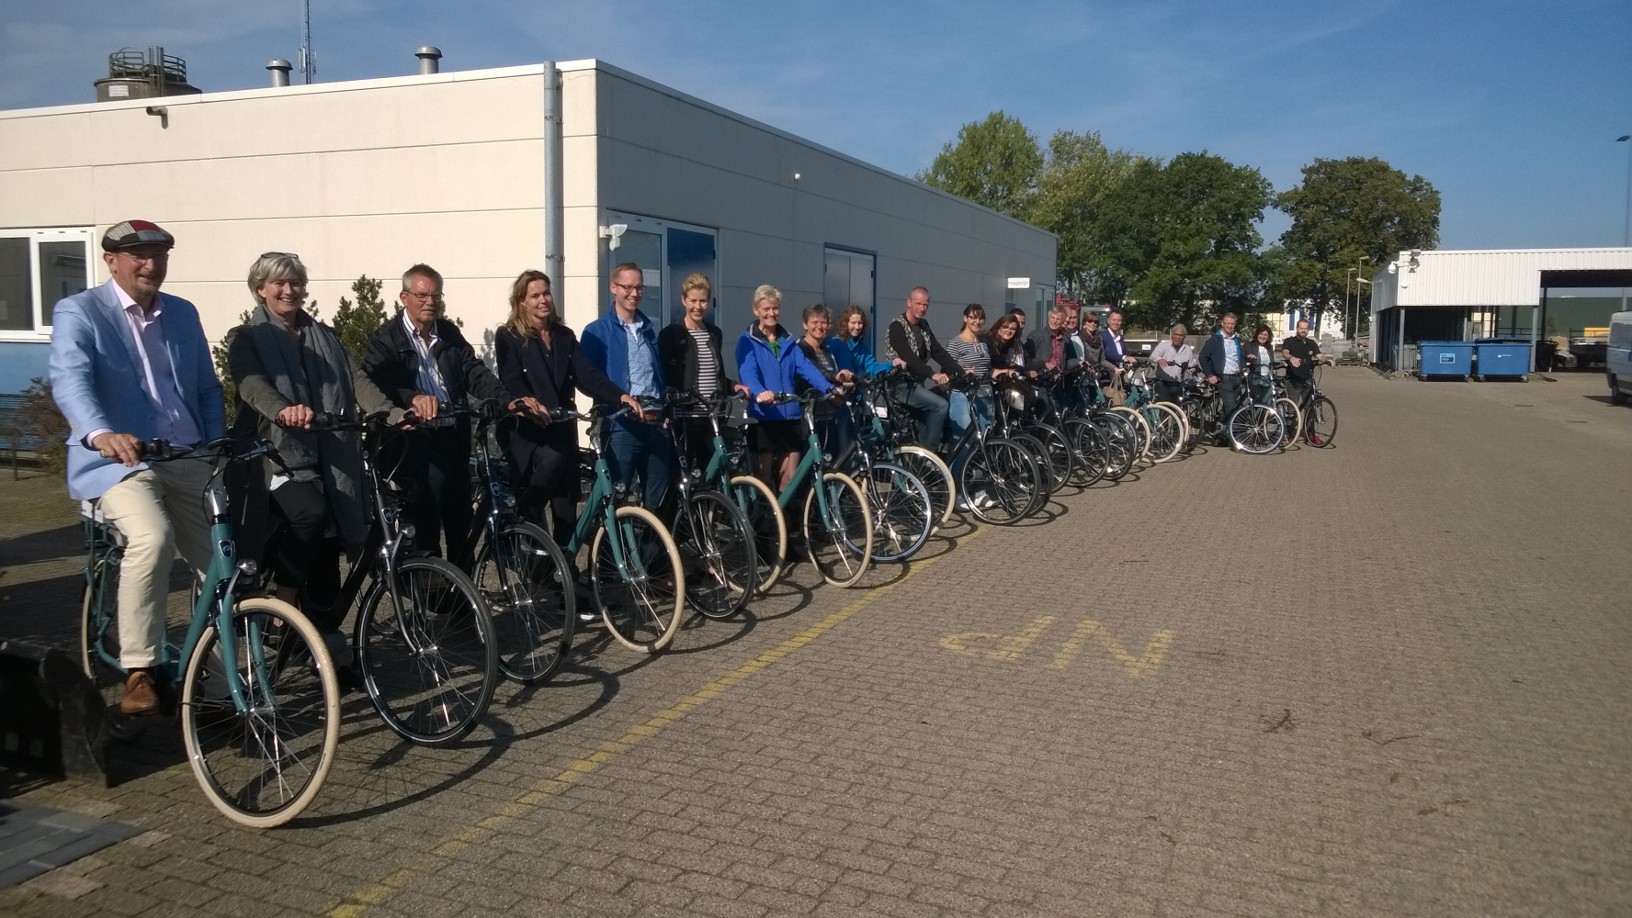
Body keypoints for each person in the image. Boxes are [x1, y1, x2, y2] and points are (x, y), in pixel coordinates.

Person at [48, 220, 225, 715]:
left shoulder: (183, 313)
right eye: (139, 255)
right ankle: (140, 668)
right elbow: (70, 379)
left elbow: (208, 389)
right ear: (111, 260)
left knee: (224, 567)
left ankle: (220, 680)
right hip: (120, 461)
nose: (151, 265)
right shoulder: (80, 311)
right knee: (152, 537)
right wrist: (100, 431)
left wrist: (215, 446)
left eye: (159, 255)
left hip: (187, 455)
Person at [227, 252, 397, 663]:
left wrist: (391, 412)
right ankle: (282, 605)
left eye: (296, 283)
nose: (289, 290)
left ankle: (323, 639)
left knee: (330, 539)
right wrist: (282, 408)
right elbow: (251, 385)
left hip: (328, 452)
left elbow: (355, 380)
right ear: (261, 289)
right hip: (271, 455)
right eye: (279, 283)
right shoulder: (245, 338)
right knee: (312, 513)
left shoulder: (324, 336)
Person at [362, 263, 509, 570]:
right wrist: (412, 398)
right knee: (428, 510)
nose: (430, 301)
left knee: (461, 516)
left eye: (436, 295)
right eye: (421, 295)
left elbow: (473, 371)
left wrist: (506, 399)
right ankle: (429, 586)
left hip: (453, 435)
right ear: (404, 297)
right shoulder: (385, 339)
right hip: (415, 439)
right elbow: (380, 382)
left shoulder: (449, 333)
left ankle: (463, 598)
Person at [495, 270, 634, 547]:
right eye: (535, 295)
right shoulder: (509, 336)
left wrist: (620, 397)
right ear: (522, 301)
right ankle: (525, 522)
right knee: (536, 504)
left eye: (546, 293)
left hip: (562, 429)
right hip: (530, 434)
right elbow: (511, 378)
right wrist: (526, 401)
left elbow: (587, 375)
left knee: (567, 508)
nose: (543, 300)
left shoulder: (563, 336)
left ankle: (564, 577)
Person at [581, 262, 671, 511]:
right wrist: (615, 402)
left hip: (655, 422)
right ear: (613, 288)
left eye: (639, 288)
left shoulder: (649, 330)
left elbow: (657, 376)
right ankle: (607, 549)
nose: (634, 293)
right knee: (616, 499)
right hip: (621, 426)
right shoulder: (597, 331)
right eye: (627, 287)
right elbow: (588, 379)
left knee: (656, 503)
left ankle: (650, 551)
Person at [735, 285, 834, 491]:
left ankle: (787, 519)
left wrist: (828, 389)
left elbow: (806, 368)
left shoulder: (787, 341)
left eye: (775, 308)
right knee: (764, 479)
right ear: (756, 310)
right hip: (765, 416)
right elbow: (748, 373)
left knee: (790, 478)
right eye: (766, 309)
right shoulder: (747, 341)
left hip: (790, 416)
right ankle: (766, 520)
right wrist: (759, 393)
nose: (771, 313)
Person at [658, 272, 748, 471]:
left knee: (713, 472)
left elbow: (714, 374)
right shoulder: (671, 334)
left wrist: (733, 386)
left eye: (703, 301)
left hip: (713, 416)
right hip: (686, 418)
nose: (698, 307)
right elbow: (664, 376)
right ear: (683, 300)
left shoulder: (714, 333)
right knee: (684, 474)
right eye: (693, 301)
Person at [883, 287, 959, 451]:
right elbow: (908, 356)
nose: (922, 308)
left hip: (917, 385)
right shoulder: (897, 326)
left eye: (926, 305)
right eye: (918, 303)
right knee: (940, 406)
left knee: (945, 400)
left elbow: (938, 351)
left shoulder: (924, 325)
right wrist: (933, 374)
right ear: (909, 302)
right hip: (901, 385)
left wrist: (961, 372)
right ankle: (930, 456)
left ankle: (924, 455)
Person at [794, 304, 856, 456]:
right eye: (814, 322)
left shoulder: (827, 352)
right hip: (809, 421)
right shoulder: (799, 349)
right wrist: (835, 380)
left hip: (829, 418)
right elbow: (813, 374)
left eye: (823, 322)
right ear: (805, 325)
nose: (819, 327)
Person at [944, 304, 995, 439]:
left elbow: (989, 368)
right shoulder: (956, 343)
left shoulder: (984, 341)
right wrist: (962, 372)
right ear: (965, 318)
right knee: (965, 440)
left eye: (981, 318)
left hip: (984, 394)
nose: (977, 322)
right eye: (973, 317)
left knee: (985, 438)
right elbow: (946, 371)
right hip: (963, 395)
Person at [1199, 312, 1245, 442]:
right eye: (1228, 323)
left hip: (1236, 377)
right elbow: (1203, 357)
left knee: (1232, 407)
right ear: (1222, 324)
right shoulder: (1215, 339)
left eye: (1232, 324)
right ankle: (1235, 440)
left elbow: (1239, 357)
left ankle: (1221, 430)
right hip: (1224, 378)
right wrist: (1210, 374)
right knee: (1232, 409)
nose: (1230, 326)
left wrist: (1243, 367)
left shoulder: (1236, 339)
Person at [832, 305, 899, 377]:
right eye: (853, 323)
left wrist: (892, 364)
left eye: (860, 323)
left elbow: (872, 369)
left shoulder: (861, 346)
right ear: (845, 324)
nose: (857, 327)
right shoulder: (836, 344)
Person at [1281, 318, 1329, 407]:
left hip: (1307, 379)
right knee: (1292, 408)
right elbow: (1285, 352)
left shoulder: (1311, 343)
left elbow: (1319, 355)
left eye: (1305, 328)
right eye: (1301, 328)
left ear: (1308, 330)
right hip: (1293, 379)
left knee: (1310, 406)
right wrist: (1291, 358)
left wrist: (1327, 360)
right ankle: (1291, 420)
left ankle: (1309, 421)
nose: (1303, 330)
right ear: (1297, 328)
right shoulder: (1289, 341)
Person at [1149, 324, 1196, 404]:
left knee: (1177, 410)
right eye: (1176, 334)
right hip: (1163, 383)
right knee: (1164, 408)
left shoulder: (1187, 350)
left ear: (1184, 337)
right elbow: (1153, 356)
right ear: (1172, 335)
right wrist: (1159, 359)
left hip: (1178, 384)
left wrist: (1196, 375)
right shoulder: (1164, 345)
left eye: (1180, 335)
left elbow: (1191, 366)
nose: (1178, 337)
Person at [1100, 309, 1137, 406]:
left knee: (1121, 398)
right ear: (1108, 321)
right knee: (1112, 402)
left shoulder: (1120, 338)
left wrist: (1130, 359)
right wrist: (1124, 357)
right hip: (1110, 375)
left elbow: (1125, 353)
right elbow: (1107, 353)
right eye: (1114, 320)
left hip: (1120, 374)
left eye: (1119, 320)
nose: (1116, 323)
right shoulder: (1103, 336)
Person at [1024, 305, 1072, 374]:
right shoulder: (1036, 335)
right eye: (1052, 317)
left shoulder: (1064, 339)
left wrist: (1079, 362)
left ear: (1063, 321)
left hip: (1058, 378)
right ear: (1048, 318)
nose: (1054, 321)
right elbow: (1026, 360)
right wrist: (1043, 365)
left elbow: (1066, 362)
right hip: (1040, 378)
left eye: (1058, 319)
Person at [1245, 323, 1277, 403]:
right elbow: (1243, 358)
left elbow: (1271, 362)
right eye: (1261, 334)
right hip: (1255, 378)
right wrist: (1248, 357)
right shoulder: (1249, 345)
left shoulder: (1269, 347)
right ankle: (1252, 415)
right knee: (1257, 401)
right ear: (1257, 334)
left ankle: (1262, 416)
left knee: (1265, 402)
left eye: (1265, 335)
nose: (1263, 337)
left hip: (1267, 379)